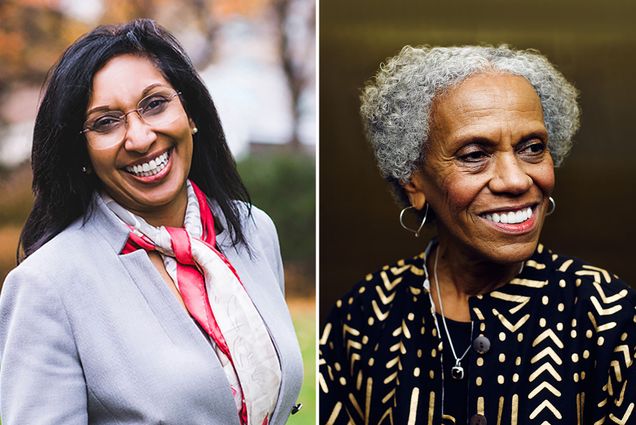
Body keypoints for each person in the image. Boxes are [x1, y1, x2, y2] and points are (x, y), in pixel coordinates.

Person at [0, 19, 303, 425]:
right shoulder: (47, 285)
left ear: (191, 113)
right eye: (106, 122)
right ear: (82, 151)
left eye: (155, 103)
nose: (140, 138)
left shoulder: (253, 231)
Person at [319, 45, 635, 425]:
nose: (516, 180)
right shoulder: (365, 316)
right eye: (473, 154)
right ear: (413, 182)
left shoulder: (609, 316)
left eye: (533, 148)